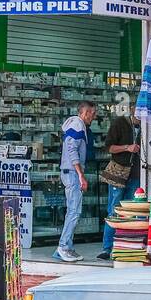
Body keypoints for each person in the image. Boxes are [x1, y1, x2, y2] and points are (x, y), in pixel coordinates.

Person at [98, 96, 140, 262]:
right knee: (114, 210)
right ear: (131, 110)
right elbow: (109, 147)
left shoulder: (147, 127)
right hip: (118, 173)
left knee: (132, 214)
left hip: (136, 174)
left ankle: (125, 249)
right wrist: (127, 147)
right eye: (138, 113)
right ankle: (107, 248)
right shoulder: (119, 124)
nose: (140, 117)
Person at [55, 101, 96, 263]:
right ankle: (64, 246)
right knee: (74, 211)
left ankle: (66, 247)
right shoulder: (78, 126)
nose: (94, 117)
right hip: (72, 173)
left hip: (70, 172)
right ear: (85, 113)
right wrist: (80, 174)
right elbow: (72, 151)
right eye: (92, 114)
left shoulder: (75, 125)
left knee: (72, 210)